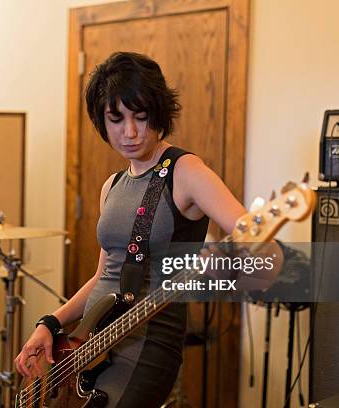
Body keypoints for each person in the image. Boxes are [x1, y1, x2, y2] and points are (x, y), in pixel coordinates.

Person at [15, 52, 283, 407]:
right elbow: (103, 275)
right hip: (89, 344)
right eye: (116, 119)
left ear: (158, 113)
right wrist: (49, 322)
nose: (129, 131)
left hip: (146, 348)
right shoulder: (111, 186)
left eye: (140, 117)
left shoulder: (185, 171)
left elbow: (263, 248)